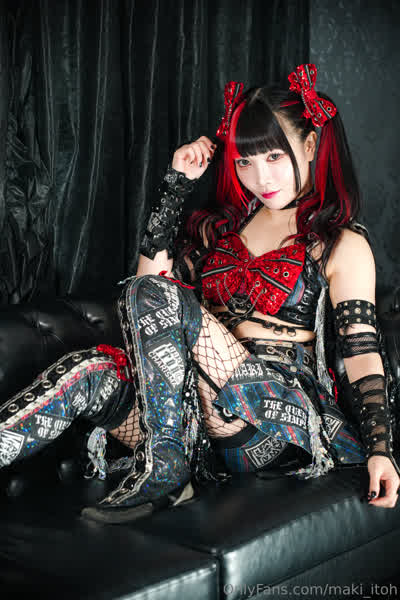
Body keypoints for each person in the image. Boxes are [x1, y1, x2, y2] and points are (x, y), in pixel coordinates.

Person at [0, 64, 399, 524]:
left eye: (274, 157)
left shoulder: (340, 242)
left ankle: (166, 466)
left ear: (309, 146)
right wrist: (177, 184)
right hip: (196, 426)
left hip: (274, 423)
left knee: (158, 296)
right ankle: (167, 463)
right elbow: (145, 293)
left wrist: (381, 450)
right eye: (245, 162)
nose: (261, 177)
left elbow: (361, 352)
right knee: (87, 373)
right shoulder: (224, 231)